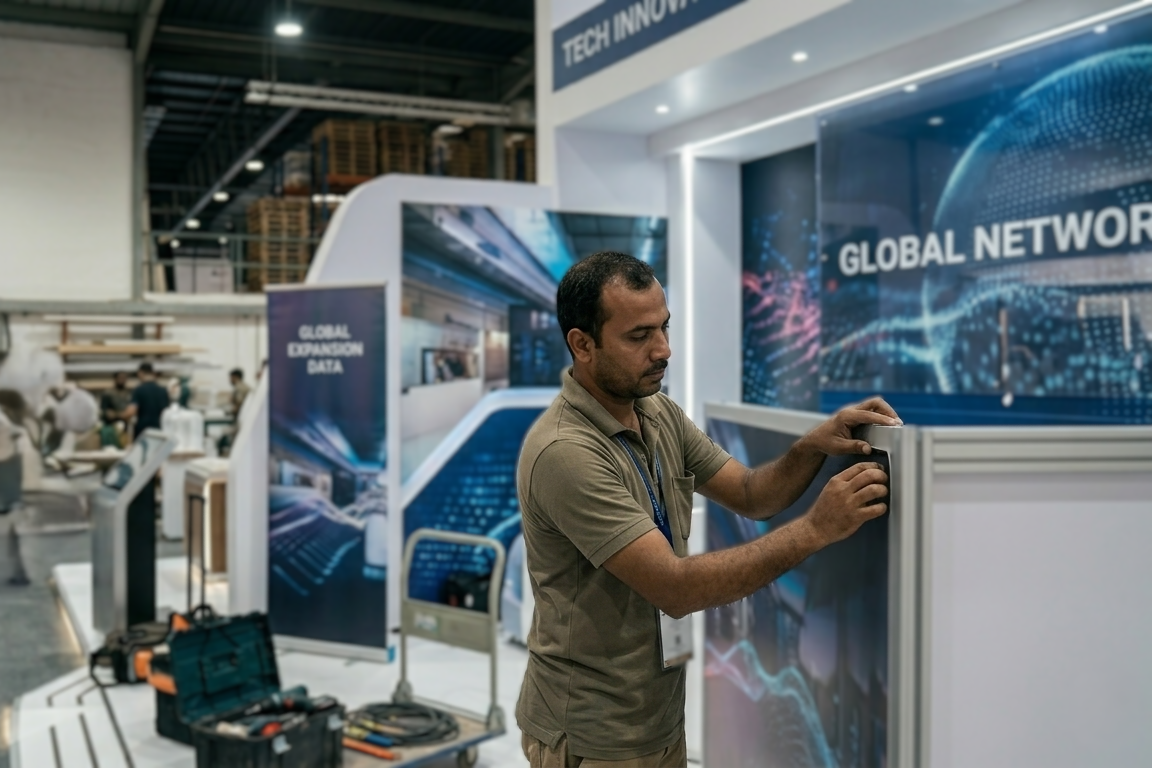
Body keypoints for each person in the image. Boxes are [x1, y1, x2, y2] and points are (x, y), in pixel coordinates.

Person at [516, 251, 899, 767]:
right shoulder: (566, 452)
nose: (663, 350)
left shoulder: (658, 413)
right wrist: (814, 530)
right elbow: (674, 588)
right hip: (591, 736)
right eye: (639, 336)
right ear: (582, 345)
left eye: (664, 327)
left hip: (655, 718)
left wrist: (811, 446)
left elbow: (749, 491)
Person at [124, 362, 170, 439]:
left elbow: (130, 412)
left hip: (144, 430)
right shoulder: (163, 390)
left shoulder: (139, 390)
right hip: (160, 429)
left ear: (140, 373)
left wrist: (121, 417)